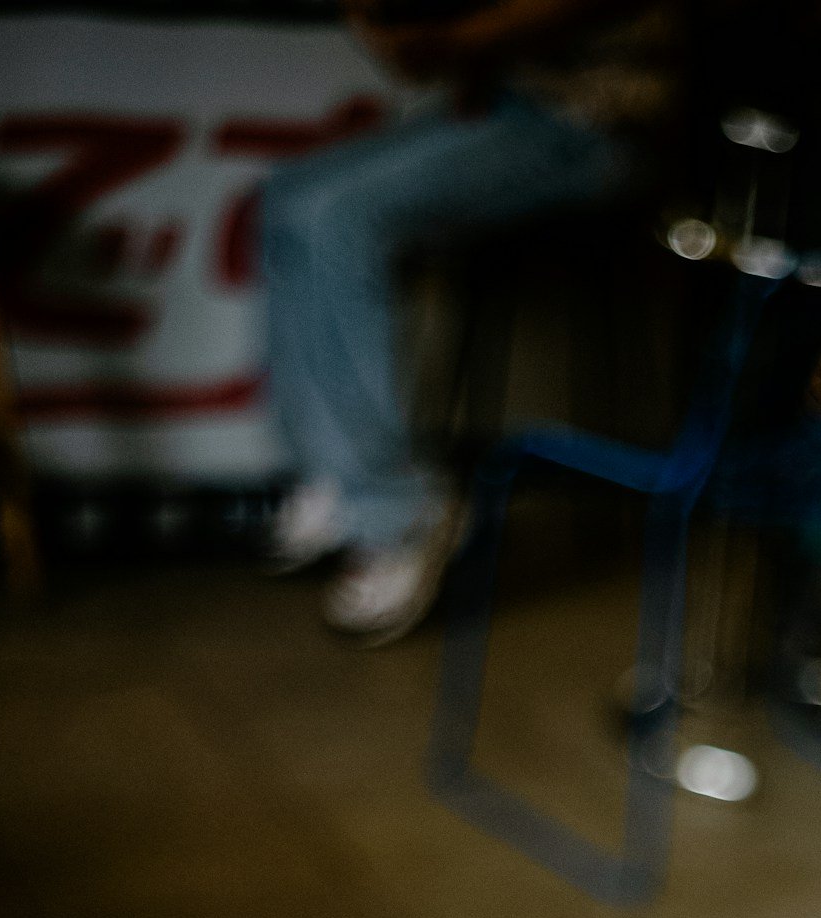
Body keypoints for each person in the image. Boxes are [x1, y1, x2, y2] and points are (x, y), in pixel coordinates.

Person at [261, 0, 674, 643]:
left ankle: (397, 505)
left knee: (338, 220)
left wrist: (451, 38)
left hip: (598, 125)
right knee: (286, 197)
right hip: (516, 104)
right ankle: (337, 470)